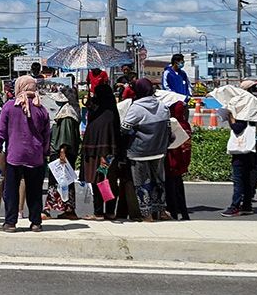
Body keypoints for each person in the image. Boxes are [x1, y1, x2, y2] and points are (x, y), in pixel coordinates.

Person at [0, 75, 50, 232]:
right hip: (36, 157)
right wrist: (44, 152)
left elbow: (1, 131)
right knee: (35, 191)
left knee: (11, 190)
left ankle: (10, 223)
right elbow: (46, 136)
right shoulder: (41, 109)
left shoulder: (10, 107)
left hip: (14, 156)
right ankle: (36, 222)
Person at [121, 78, 172, 222]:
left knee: (142, 183)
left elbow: (124, 128)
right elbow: (168, 128)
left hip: (139, 152)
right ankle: (161, 211)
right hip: (159, 150)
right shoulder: (162, 106)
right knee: (159, 182)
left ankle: (147, 214)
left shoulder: (136, 107)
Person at [80, 83, 122, 222]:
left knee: (102, 181)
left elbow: (106, 134)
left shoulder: (107, 113)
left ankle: (101, 213)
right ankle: (107, 212)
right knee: (102, 181)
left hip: (102, 154)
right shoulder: (106, 110)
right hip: (101, 152)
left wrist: (104, 156)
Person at [49, 93, 81, 219]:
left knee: (57, 181)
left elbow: (65, 136)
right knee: (66, 181)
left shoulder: (67, 114)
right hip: (64, 154)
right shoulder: (68, 112)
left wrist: (62, 151)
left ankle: (49, 209)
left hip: (61, 154)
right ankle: (68, 209)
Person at [164, 98, 192, 221]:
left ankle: (173, 212)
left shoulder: (173, 124)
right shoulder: (186, 124)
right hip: (183, 160)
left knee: (170, 188)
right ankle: (184, 213)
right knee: (179, 187)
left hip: (172, 160)